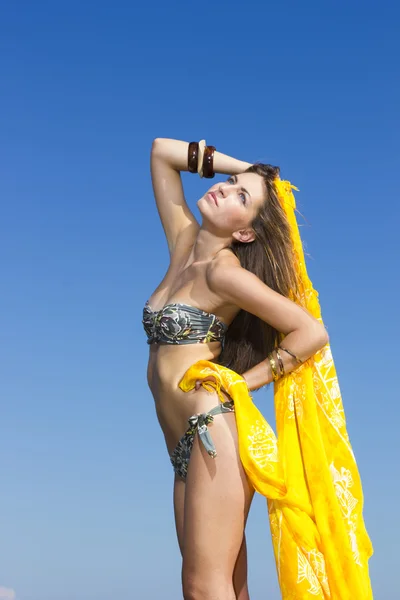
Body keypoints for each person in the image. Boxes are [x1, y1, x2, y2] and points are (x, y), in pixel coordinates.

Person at [142, 139, 373, 600]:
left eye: (241, 197)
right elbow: (161, 153)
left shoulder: (224, 274)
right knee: (224, 588)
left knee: (204, 589)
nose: (226, 191)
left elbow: (310, 333)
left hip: (211, 432)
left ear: (246, 233)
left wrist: (239, 383)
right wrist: (254, 170)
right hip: (184, 449)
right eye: (228, 184)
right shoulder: (184, 244)